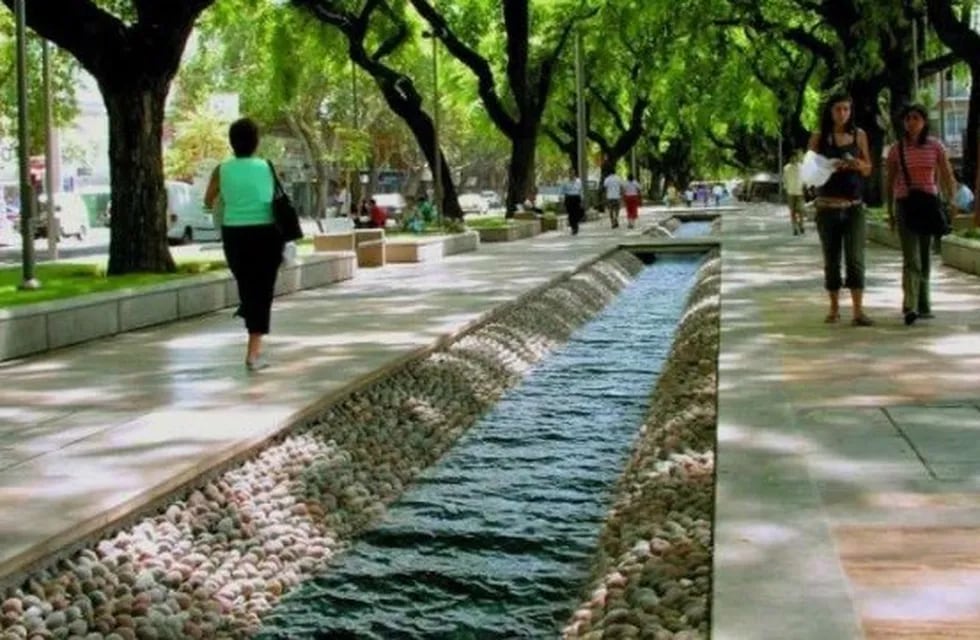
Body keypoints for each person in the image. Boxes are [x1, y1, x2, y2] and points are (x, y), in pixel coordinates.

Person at [204, 117, 283, 371]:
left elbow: (208, 201)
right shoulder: (267, 167)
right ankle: (253, 353)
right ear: (256, 142)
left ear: (231, 143)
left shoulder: (221, 170)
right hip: (266, 235)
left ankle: (249, 321)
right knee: (262, 292)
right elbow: (275, 199)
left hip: (234, 235)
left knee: (248, 286)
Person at [884, 103, 956, 326]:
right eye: (908, 119)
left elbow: (946, 174)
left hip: (928, 205)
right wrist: (889, 210)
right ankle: (910, 305)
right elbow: (889, 181)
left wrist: (951, 201)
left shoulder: (935, 146)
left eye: (916, 118)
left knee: (924, 256)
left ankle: (924, 303)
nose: (911, 122)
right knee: (910, 257)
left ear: (924, 121)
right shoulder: (897, 149)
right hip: (905, 204)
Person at [808, 92, 874, 326]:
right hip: (827, 207)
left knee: (856, 259)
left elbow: (868, 169)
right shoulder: (819, 137)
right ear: (830, 111)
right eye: (838, 109)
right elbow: (810, 173)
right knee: (832, 259)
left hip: (854, 206)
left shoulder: (860, 135)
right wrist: (829, 167)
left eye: (846, 109)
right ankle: (834, 308)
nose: (842, 114)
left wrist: (858, 164)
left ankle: (858, 311)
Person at [783, 151, 806, 235]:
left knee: (801, 211)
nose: (793, 159)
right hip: (790, 192)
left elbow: (805, 178)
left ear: (796, 158)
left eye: (794, 157)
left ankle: (801, 225)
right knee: (792, 212)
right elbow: (784, 180)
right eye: (791, 157)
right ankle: (795, 228)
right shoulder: (786, 167)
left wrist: (804, 187)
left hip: (800, 192)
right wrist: (786, 189)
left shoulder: (802, 167)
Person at [561, 168, 584, 235]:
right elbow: (562, 191)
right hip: (569, 198)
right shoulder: (565, 181)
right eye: (570, 173)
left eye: (573, 173)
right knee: (570, 213)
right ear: (569, 174)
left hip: (576, 198)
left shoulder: (578, 181)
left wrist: (582, 199)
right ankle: (573, 227)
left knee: (577, 213)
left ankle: (575, 225)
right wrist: (562, 199)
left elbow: (581, 191)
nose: (572, 174)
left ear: (575, 174)